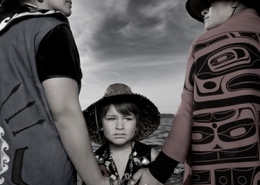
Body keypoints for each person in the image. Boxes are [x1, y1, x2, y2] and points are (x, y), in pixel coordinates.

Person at [130, 0, 260, 185]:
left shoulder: (203, 44)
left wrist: (159, 171)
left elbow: (187, 112)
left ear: (233, 1)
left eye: (209, 3)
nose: (204, 12)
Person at [0, 0, 108, 184]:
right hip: (46, 172)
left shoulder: (6, 34)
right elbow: (65, 114)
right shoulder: (50, 28)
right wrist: (96, 180)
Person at [82, 83, 173, 185]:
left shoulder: (151, 156)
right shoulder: (93, 161)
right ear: (101, 125)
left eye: (128, 118)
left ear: (137, 125)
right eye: (111, 119)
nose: (120, 126)